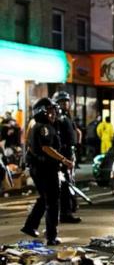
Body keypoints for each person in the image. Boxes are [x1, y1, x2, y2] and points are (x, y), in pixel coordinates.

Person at [21, 98, 74, 245]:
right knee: (52, 202)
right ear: (42, 112)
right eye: (50, 111)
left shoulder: (37, 125)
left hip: (40, 168)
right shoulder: (43, 127)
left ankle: (30, 226)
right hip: (45, 169)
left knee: (45, 199)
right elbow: (46, 148)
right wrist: (64, 160)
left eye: (54, 111)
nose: (54, 114)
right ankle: (51, 236)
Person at [52, 90, 82, 224]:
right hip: (62, 153)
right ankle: (65, 213)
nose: (65, 104)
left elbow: (76, 131)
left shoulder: (68, 116)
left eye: (66, 101)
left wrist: (76, 145)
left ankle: (70, 208)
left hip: (70, 152)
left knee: (69, 182)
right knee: (64, 185)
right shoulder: (57, 118)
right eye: (62, 102)